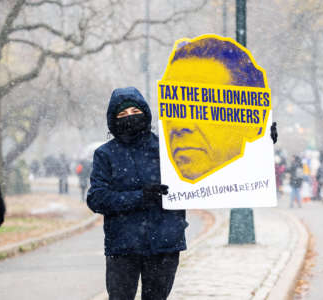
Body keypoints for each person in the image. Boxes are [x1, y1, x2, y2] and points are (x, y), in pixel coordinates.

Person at [87, 87, 188, 300]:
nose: (130, 117)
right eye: (122, 114)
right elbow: (97, 198)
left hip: (165, 243)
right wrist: (140, 196)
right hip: (123, 246)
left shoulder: (169, 148)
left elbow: (212, 166)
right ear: (113, 119)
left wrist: (262, 139)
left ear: (145, 112)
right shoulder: (105, 154)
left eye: (135, 111)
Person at [161, 37, 277, 181]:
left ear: (252, 123)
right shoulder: (151, 170)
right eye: (174, 108)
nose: (179, 125)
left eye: (202, 107)